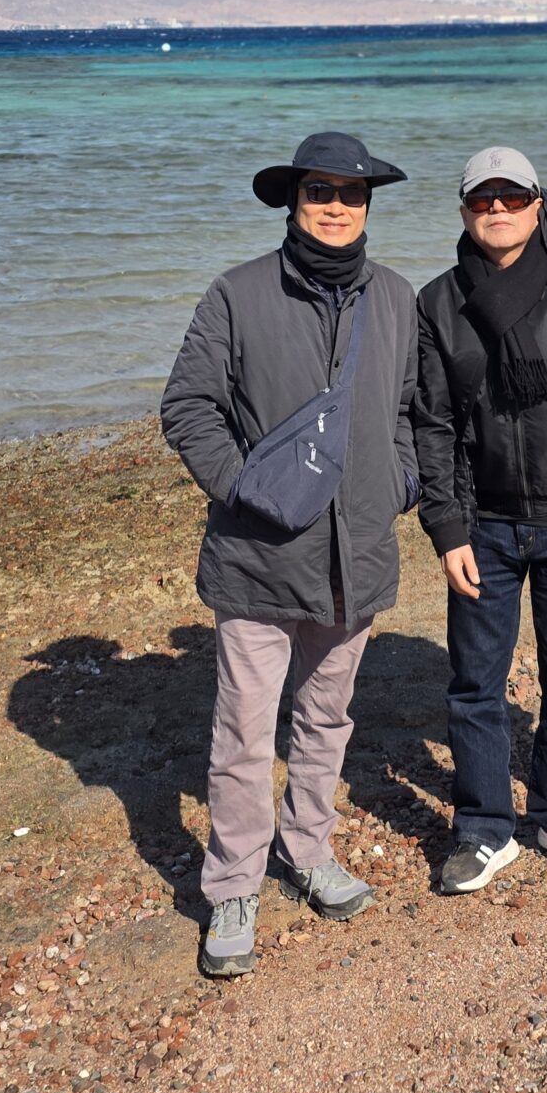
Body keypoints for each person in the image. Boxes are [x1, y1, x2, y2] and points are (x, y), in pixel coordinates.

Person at [160, 131, 421, 977]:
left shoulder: (396, 297)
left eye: (351, 194)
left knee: (327, 717)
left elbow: (409, 411)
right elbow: (188, 406)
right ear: (294, 201)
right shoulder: (237, 294)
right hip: (257, 559)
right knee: (243, 731)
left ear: (368, 206)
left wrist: (398, 484)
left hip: (358, 554)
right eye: (320, 192)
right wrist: (245, 488)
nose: (336, 207)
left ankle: (308, 849)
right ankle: (233, 884)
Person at [414, 147, 547, 894]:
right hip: (485, 524)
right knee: (475, 685)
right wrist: (447, 527)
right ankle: (483, 829)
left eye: (513, 197)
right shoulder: (439, 302)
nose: (499, 210)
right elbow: (433, 426)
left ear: (539, 206)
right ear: (464, 211)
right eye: (484, 200)